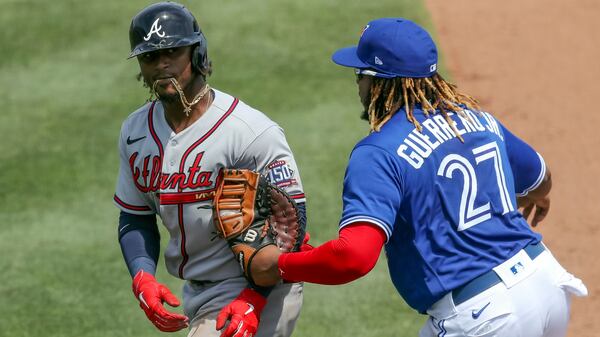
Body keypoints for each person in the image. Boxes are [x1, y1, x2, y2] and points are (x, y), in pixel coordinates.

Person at [251, 18, 588, 337]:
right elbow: (538, 179)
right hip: (546, 284)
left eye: (360, 73)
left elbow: (354, 257)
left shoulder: (377, 152)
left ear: (380, 81)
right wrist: (533, 197)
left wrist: (279, 265)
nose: (357, 84)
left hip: (486, 315)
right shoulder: (474, 118)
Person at [113, 2, 306, 337]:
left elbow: (292, 222)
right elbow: (136, 215)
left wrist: (254, 298)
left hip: (263, 286)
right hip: (198, 293)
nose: (161, 64)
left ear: (197, 53)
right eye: (149, 57)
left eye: (172, 51)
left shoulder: (249, 132)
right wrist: (142, 274)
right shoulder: (135, 133)